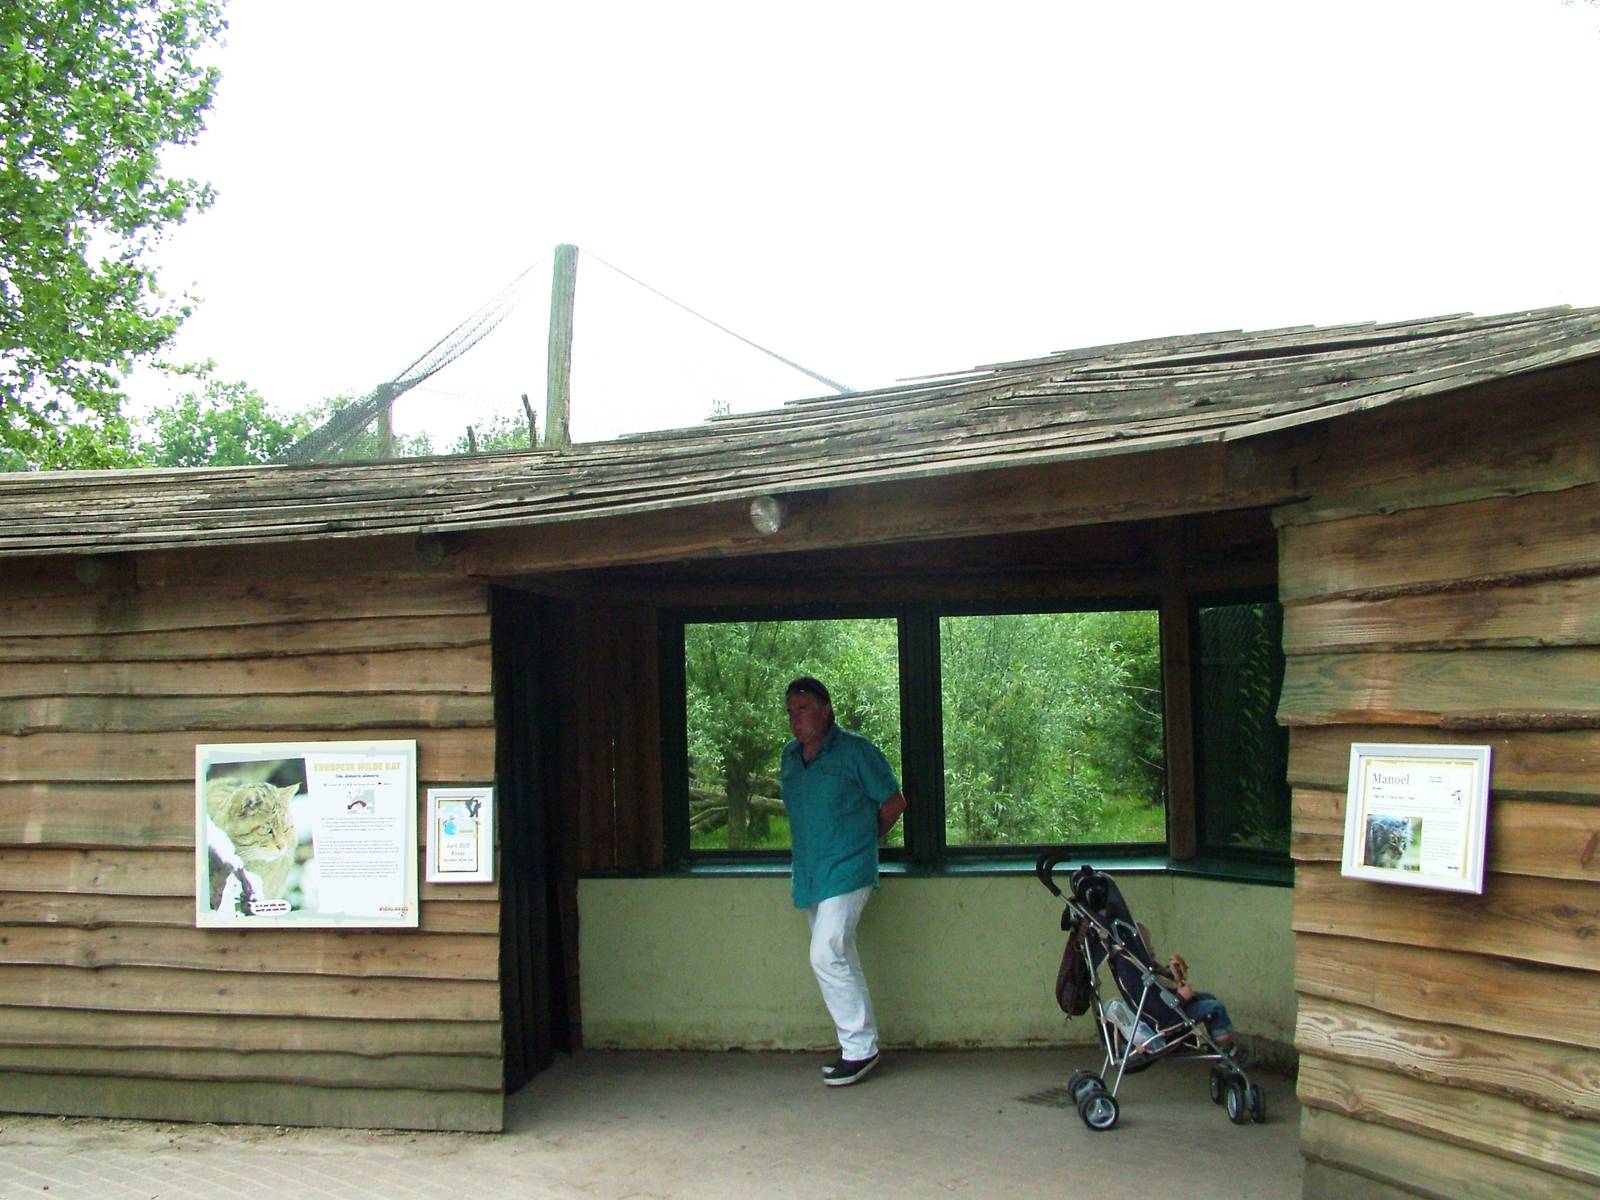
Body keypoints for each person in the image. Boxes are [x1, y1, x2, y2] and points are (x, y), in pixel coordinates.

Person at [781, 676, 907, 1087]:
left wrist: (861, 840)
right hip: (811, 872)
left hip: (849, 869)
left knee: (824, 954)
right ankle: (860, 1044)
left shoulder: (856, 751)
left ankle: (859, 1049)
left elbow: (894, 802)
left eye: (802, 709)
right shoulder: (789, 757)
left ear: (826, 709)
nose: (794, 719)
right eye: (790, 711)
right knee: (842, 954)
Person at [1138, 922, 1238, 1055]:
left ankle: (1221, 1046)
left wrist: (1175, 974)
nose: (1152, 949)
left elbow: (1167, 981)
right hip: (1170, 1015)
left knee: (1208, 997)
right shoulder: (1141, 974)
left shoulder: (1147, 967)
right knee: (1215, 1007)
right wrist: (1181, 998)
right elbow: (1157, 1005)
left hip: (1174, 1006)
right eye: (1148, 945)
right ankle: (1227, 1051)